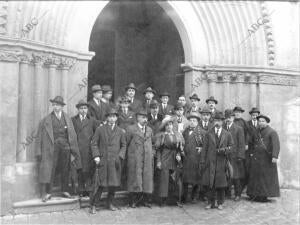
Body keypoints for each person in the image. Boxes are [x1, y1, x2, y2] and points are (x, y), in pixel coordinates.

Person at [35, 96, 82, 202]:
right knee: (51, 169)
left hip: (66, 148)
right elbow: (39, 137)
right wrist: (38, 151)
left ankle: (65, 190)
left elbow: (72, 135)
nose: (55, 107)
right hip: (52, 148)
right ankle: (48, 192)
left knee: (66, 168)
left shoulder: (67, 119)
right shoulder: (46, 120)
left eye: (58, 105)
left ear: (61, 107)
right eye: (54, 105)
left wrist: (73, 149)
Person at [90, 108, 126, 213]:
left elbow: (124, 145)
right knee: (100, 184)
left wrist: (120, 156)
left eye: (114, 116)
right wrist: (96, 156)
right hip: (103, 161)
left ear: (116, 118)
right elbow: (94, 143)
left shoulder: (120, 131)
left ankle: (110, 203)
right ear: (107, 118)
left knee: (113, 185)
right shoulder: (100, 129)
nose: (112, 119)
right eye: (110, 116)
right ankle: (94, 205)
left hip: (115, 162)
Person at [201, 112, 233, 210]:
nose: (217, 122)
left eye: (219, 121)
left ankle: (220, 203)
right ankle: (210, 202)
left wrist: (224, 150)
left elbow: (231, 147)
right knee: (210, 184)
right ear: (213, 121)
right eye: (215, 120)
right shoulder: (208, 133)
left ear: (222, 122)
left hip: (222, 162)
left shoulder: (227, 134)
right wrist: (202, 161)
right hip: (210, 162)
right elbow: (204, 149)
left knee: (221, 184)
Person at [247, 114, 280, 202]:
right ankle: (254, 194)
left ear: (266, 122)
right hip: (256, 158)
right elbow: (251, 142)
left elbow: (276, 145)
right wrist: (250, 153)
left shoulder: (272, 132)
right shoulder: (256, 131)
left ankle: (263, 195)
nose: (261, 123)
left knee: (265, 178)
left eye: (263, 121)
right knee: (255, 177)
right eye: (259, 121)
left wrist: (274, 156)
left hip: (267, 159)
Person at [126, 109, 154, 208]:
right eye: (143, 117)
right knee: (135, 179)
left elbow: (152, 143)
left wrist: (151, 154)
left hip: (147, 159)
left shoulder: (150, 130)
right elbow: (126, 143)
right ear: (137, 118)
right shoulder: (130, 129)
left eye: (146, 117)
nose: (145, 119)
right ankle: (133, 201)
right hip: (135, 158)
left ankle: (145, 201)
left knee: (146, 179)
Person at [72, 100, 100, 197]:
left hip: (88, 150)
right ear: (78, 109)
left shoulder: (92, 120)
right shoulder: (73, 120)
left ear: (87, 109)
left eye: (85, 108)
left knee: (88, 170)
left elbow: (97, 133)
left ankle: (88, 189)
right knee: (79, 170)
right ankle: (80, 190)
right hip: (78, 149)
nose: (83, 110)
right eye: (81, 108)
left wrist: (94, 142)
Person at [155, 116, 185, 207]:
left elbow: (180, 147)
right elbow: (158, 150)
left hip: (175, 158)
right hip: (164, 157)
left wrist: (179, 154)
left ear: (173, 125)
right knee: (164, 179)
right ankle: (163, 200)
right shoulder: (162, 135)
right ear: (164, 126)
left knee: (175, 179)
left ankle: (175, 200)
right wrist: (159, 161)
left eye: (171, 124)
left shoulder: (177, 134)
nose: (169, 126)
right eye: (167, 125)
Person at [182, 112, 206, 204]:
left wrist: (202, 148)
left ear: (197, 122)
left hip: (196, 159)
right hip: (186, 158)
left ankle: (194, 196)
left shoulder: (202, 133)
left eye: (194, 121)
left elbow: (207, 146)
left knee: (196, 178)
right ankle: (185, 196)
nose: (192, 122)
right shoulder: (185, 132)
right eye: (190, 120)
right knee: (186, 178)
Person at [224, 109, 245, 201]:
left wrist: (240, 156)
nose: (228, 119)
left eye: (230, 117)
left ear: (233, 118)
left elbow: (241, 144)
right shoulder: (222, 128)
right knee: (225, 175)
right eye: (226, 118)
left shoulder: (238, 129)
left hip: (235, 156)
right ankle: (227, 193)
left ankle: (238, 194)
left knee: (235, 176)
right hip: (224, 155)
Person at [246, 107, 260, 186]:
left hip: (257, 149)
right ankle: (248, 185)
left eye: (256, 115)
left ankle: (256, 185)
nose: (254, 117)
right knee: (248, 167)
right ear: (251, 115)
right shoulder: (247, 123)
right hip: (249, 148)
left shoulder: (260, 124)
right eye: (253, 115)